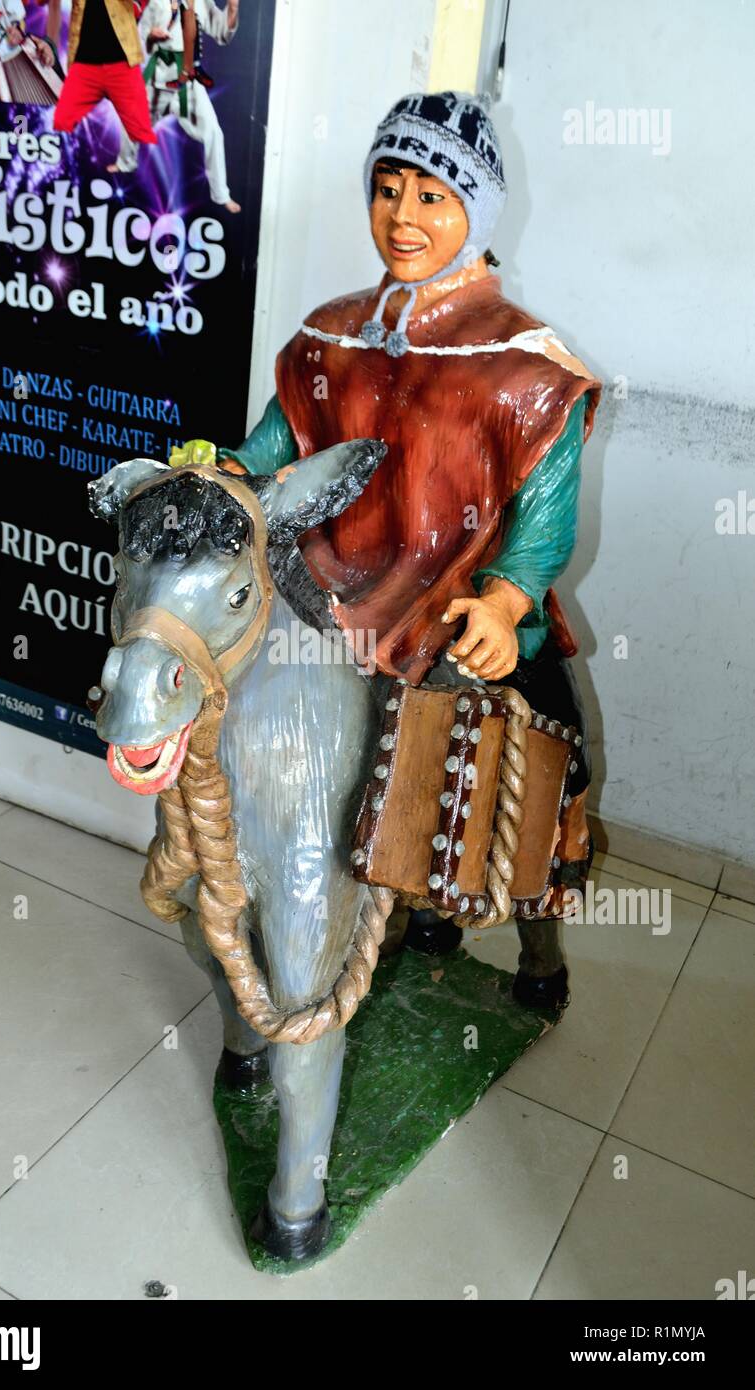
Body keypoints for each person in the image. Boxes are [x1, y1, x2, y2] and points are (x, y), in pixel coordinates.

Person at [221, 92, 602, 1000]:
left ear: (479, 208)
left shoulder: (527, 366)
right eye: (387, 188)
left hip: (459, 607)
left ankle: (538, 947)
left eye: (433, 195)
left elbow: (544, 519)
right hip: (325, 596)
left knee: (544, 763)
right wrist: (217, 470)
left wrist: (509, 603)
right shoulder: (330, 336)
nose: (403, 216)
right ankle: (345, 920)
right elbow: (272, 453)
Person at [110, 0, 240, 211]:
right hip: (158, 78)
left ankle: (221, 194)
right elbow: (138, 38)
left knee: (214, 133)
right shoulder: (155, 2)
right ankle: (125, 162)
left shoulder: (201, 3)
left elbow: (222, 33)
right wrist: (151, 35)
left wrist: (232, 10)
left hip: (188, 82)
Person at [53, 0, 156, 146]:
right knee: (61, 123)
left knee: (142, 135)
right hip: (84, 64)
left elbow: (136, 8)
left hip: (123, 63)